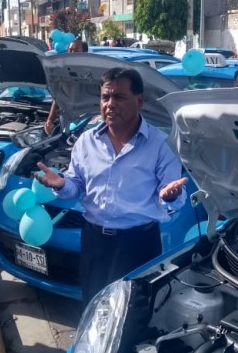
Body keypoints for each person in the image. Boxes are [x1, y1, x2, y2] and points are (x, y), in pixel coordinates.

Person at [34, 66, 188, 303]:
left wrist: (168, 195)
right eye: (105, 97)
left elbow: (173, 195)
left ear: (139, 101)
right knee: (94, 308)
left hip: (139, 245)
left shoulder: (159, 144)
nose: (110, 104)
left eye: (119, 96)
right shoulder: (86, 141)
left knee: (135, 312)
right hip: (96, 242)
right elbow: (76, 186)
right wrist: (62, 184)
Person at [43, 37, 89, 135]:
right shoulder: (63, 72)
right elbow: (58, 97)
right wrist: (50, 120)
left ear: (85, 52)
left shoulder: (94, 73)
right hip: (67, 122)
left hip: (88, 122)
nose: (71, 53)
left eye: (75, 50)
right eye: (70, 50)